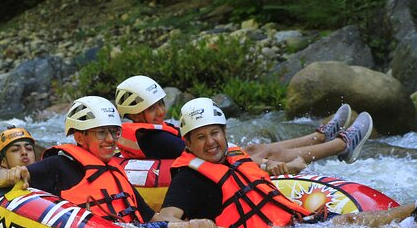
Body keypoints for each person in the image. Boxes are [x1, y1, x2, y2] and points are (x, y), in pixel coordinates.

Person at [0, 96, 279, 228]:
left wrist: (186, 222)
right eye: (100, 133)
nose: (109, 140)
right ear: (79, 137)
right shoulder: (59, 165)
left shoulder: (114, 169)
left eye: (113, 133)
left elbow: (150, 217)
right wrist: (10, 174)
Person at [158, 97, 417, 228]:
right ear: (188, 143)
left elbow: (251, 183)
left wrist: (281, 168)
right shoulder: (190, 178)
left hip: (291, 222)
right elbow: (166, 216)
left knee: (350, 220)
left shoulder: (233, 156)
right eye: (201, 137)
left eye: (215, 133)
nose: (211, 142)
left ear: (225, 132)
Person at [114, 75, 373, 175]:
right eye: (151, 108)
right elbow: (191, 152)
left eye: (160, 104)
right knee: (262, 153)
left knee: (257, 147)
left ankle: (318, 138)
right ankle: (341, 145)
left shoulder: (143, 131)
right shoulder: (151, 138)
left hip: (199, 163)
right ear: (133, 112)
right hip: (200, 169)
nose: (161, 111)